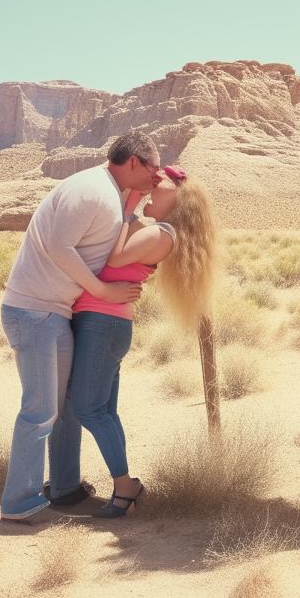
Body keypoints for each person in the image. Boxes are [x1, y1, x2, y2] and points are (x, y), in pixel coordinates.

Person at [0, 131, 162, 522]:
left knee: (65, 409)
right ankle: (18, 503)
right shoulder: (91, 189)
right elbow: (59, 246)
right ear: (134, 162)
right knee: (39, 411)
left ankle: (66, 488)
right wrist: (103, 289)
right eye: (153, 167)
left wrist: (135, 204)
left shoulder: (110, 193)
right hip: (34, 311)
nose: (157, 175)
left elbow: (111, 235)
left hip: (55, 312)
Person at [64, 164, 217, 518]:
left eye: (158, 184)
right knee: (103, 409)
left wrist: (132, 200)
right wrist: (131, 207)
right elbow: (119, 242)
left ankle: (125, 487)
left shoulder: (162, 233)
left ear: (179, 196)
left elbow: (114, 257)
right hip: (105, 322)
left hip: (104, 324)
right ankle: (123, 488)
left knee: (88, 408)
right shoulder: (154, 230)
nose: (151, 186)